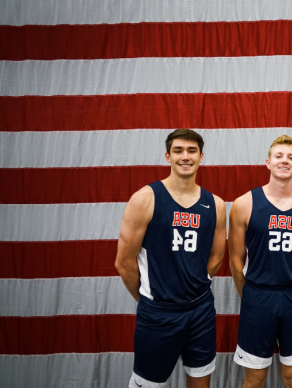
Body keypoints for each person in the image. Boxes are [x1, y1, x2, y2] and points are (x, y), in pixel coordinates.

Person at [115, 129, 227, 388]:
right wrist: (149, 297)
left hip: (200, 310)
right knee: (148, 384)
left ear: (202, 157)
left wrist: (196, 283)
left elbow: (217, 257)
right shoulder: (145, 198)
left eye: (191, 151)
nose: (185, 156)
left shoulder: (216, 204)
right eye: (178, 151)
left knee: (200, 383)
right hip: (158, 312)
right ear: (168, 156)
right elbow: (123, 262)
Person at [229, 135, 292, 388]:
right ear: (268, 162)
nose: (285, 161)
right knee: (255, 377)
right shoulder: (244, 203)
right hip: (258, 297)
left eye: (291, 157)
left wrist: (291, 278)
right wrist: (248, 294)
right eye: (279, 156)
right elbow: (235, 260)